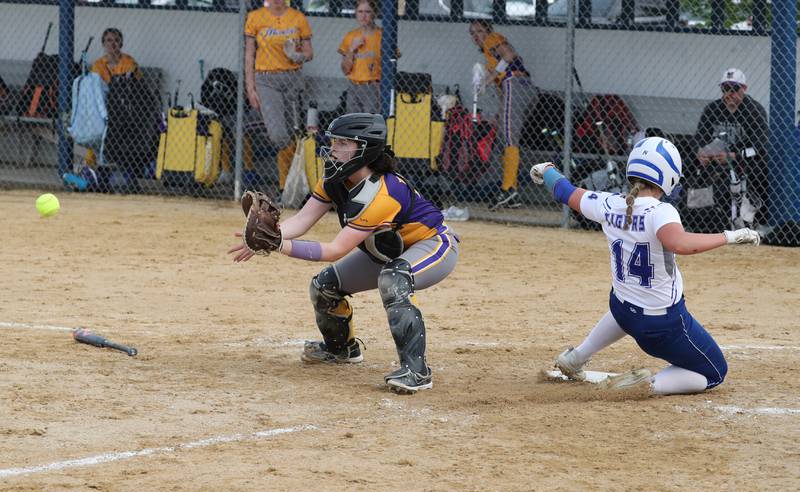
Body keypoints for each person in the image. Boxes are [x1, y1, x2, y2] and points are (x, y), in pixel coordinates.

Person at [228, 113, 460, 394]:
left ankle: (416, 371)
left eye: (343, 144)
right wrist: (272, 234)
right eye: (333, 141)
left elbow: (334, 249)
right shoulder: (334, 178)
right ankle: (341, 350)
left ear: (366, 149)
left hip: (432, 245)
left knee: (393, 278)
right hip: (385, 251)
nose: (333, 149)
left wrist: (277, 245)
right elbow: (301, 221)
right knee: (323, 287)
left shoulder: (383, 194)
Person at [530, 136, 761, 394]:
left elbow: (565, 191)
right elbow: (681, 244)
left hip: (623, 311)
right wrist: (728, 236)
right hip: (662, 327)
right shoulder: (660, 211)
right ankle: (647, 385)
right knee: (715, 371)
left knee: (625, 303)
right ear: (668, 176)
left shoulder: (608, 203)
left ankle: (576, 357)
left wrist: (547, 170)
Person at [245, 0, 313, 197]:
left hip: (293, 78)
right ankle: (289, 185)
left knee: (295, 133)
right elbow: (249, 55)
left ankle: (288, 189)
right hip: (266, 80)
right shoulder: (255, 17)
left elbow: (309, 53)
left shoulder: (298, 17)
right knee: (278, 135)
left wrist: (298, 55)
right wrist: (251, 87)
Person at [468, 20, 537, 210]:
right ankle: (510, 191)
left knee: (509, 139)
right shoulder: (488, 54)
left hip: (514, 83)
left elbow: (509, 55)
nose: (476, 36)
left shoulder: (492, 39)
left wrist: (489, 79)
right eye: (472, 33)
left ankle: (508, 190)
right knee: (504, 136)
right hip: (518, 88)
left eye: (479, 31)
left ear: (488, 30)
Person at [694, 68, 768, 226]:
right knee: (693, 167)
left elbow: (760, 147)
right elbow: (698, 139)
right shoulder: (712, 109)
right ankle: (699, 216)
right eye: (725, 89)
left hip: (743, 161)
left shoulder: (754, 111)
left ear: (744, 89)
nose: (729, 94)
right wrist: (700, 153)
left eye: (734, 89)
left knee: (759, 167)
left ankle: (749, 219)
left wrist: (735, 156)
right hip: (716, 159)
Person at [79, 28, 142, 174]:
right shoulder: (98, 65)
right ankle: (88, 168)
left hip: (124, 108)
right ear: (103, 43)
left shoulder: (128, 61)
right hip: (104, 108)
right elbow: (95, 90)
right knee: (98, 128)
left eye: (116, 40)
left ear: (121, 43)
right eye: (108, 40)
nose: (112, 44)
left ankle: (99, 165)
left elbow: (130, 86)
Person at [338, 0, 382, 114]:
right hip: (353, 85)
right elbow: (345, 70)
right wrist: (352, 49)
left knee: (369, 124)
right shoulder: (351, 36)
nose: (363, 16)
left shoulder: (382, 35)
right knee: (354, 124)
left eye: (367, 12)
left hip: (373, 86)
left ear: (374, 13)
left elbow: (393, 60)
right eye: (360, 12)